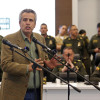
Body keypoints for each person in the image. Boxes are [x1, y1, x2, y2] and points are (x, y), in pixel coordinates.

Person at [0, 9, 59, 100]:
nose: (28, 23)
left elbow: (43, 60)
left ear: (35, 24)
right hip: (16, 92)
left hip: (36, 91)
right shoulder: (9, 39)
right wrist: (28, 67)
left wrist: (48, 66)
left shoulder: (40, 38)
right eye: (25, 20)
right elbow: (5, 65)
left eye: (31, 20)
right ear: (19, 23)